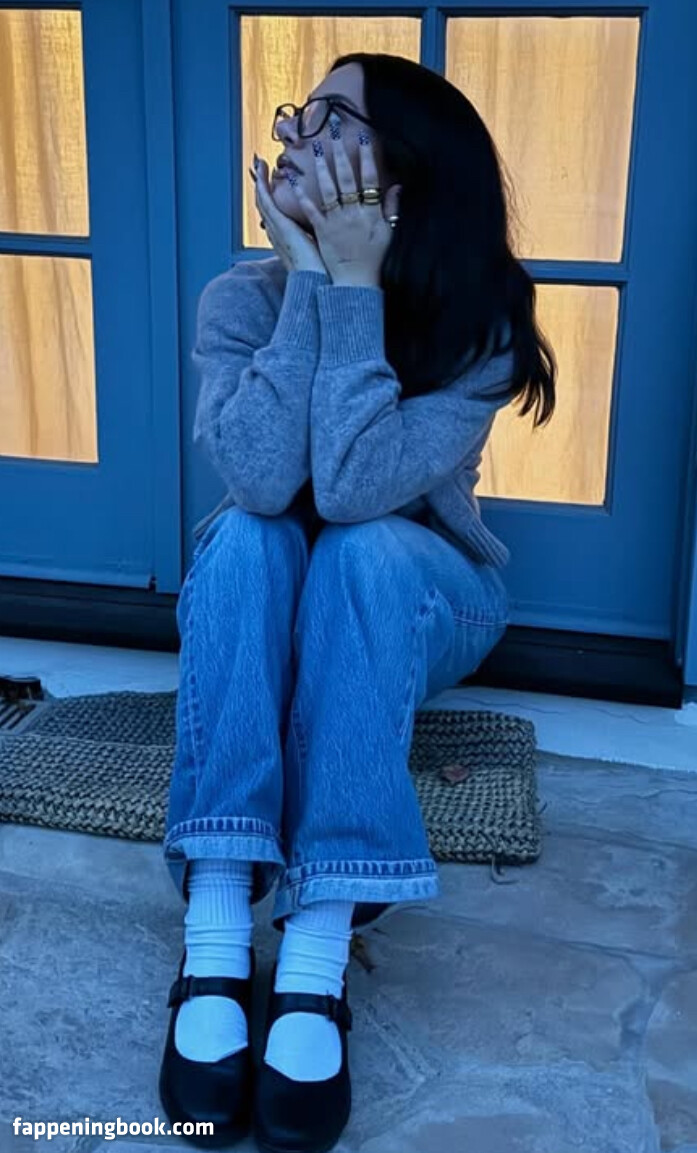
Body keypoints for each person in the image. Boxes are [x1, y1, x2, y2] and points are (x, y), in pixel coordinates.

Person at [158, 52, 556, 1152]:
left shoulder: (478, 322)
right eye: (300, 112)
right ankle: (217, 925)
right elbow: (263, 481)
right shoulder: (239, 300)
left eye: (330, 120)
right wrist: (305, 282)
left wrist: (352, 290)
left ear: (405, 172)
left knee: (364, 548)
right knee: (243, 537)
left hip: (425, 596)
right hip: (277, 586)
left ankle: (319, 943)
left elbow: (349, 489)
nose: (291, 135)